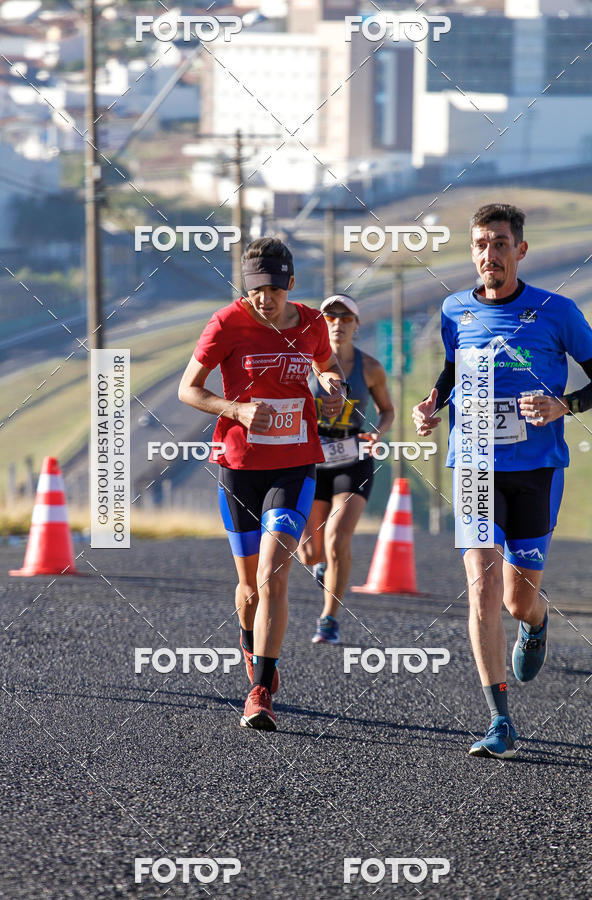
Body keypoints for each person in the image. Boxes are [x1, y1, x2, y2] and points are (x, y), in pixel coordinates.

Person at [412, 203, 592, 759]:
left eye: (499, 243)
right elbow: (452, 366)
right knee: (484, 586)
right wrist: (432, 405)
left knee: (518, 600)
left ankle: (535, 624)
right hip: (471, 466)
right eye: (480, 244)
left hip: (537, 471)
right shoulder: (453, 308)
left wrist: (563, 404)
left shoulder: (558, 312)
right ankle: (499, 719)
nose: (488, 254)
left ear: (520, 250)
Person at [178, 237, 346, 731]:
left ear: (290, 285)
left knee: (275, 573)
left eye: (273, 289)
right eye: (255, 290)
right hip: (238, 467)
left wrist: (333, 389)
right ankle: (250, 646)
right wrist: (236, 410)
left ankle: (259, 691)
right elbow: (188, 388)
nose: (264, 299)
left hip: (294, 466)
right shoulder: (227, 323)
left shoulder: (313, 324)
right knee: (249, 584)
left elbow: (328, 367)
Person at [297, 294, 394, 644]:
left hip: (353, 457)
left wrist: (378, 433)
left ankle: (329, 618)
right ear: (321, 323)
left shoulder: (369, 367)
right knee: (310, 552)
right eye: (330, 317)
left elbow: (387, 410)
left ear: (356, 324)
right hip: (311, 458)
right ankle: (322, 566)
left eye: (345, 317)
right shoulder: (305, 363)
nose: (337, 323)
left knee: (338, 536)